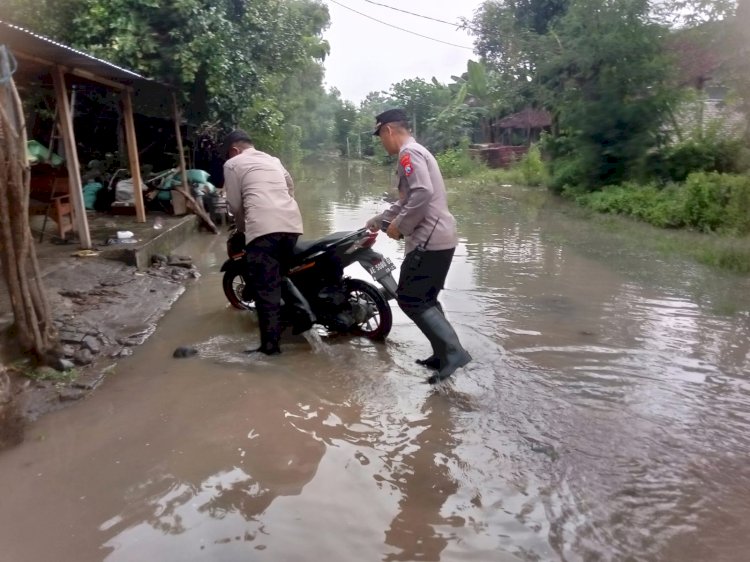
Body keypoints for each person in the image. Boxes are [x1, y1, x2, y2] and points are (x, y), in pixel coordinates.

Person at [366, 109, 471, 384]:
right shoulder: (417, 152)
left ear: (388, 130)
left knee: (410, 298)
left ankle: (454, 353)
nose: (381, 142)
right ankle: (441, 355)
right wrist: (382, 219)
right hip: (440, 238)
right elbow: (410, 198)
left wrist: (400, 226)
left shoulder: (408, 154)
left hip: (429, 240)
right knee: (427, 298)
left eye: (380, 136)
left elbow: (422, 193)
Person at [222, 129, 305, 355]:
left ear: (234, 150)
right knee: (281, 276)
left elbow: (235, 205)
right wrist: (283, 207)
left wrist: (242, 230)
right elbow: (290, 187)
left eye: (229, 153)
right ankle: (302, 316)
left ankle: (270, 349)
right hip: (291, 226)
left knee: (265, 292)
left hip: (263, 231)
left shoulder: (232, 164)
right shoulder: (273, 160)